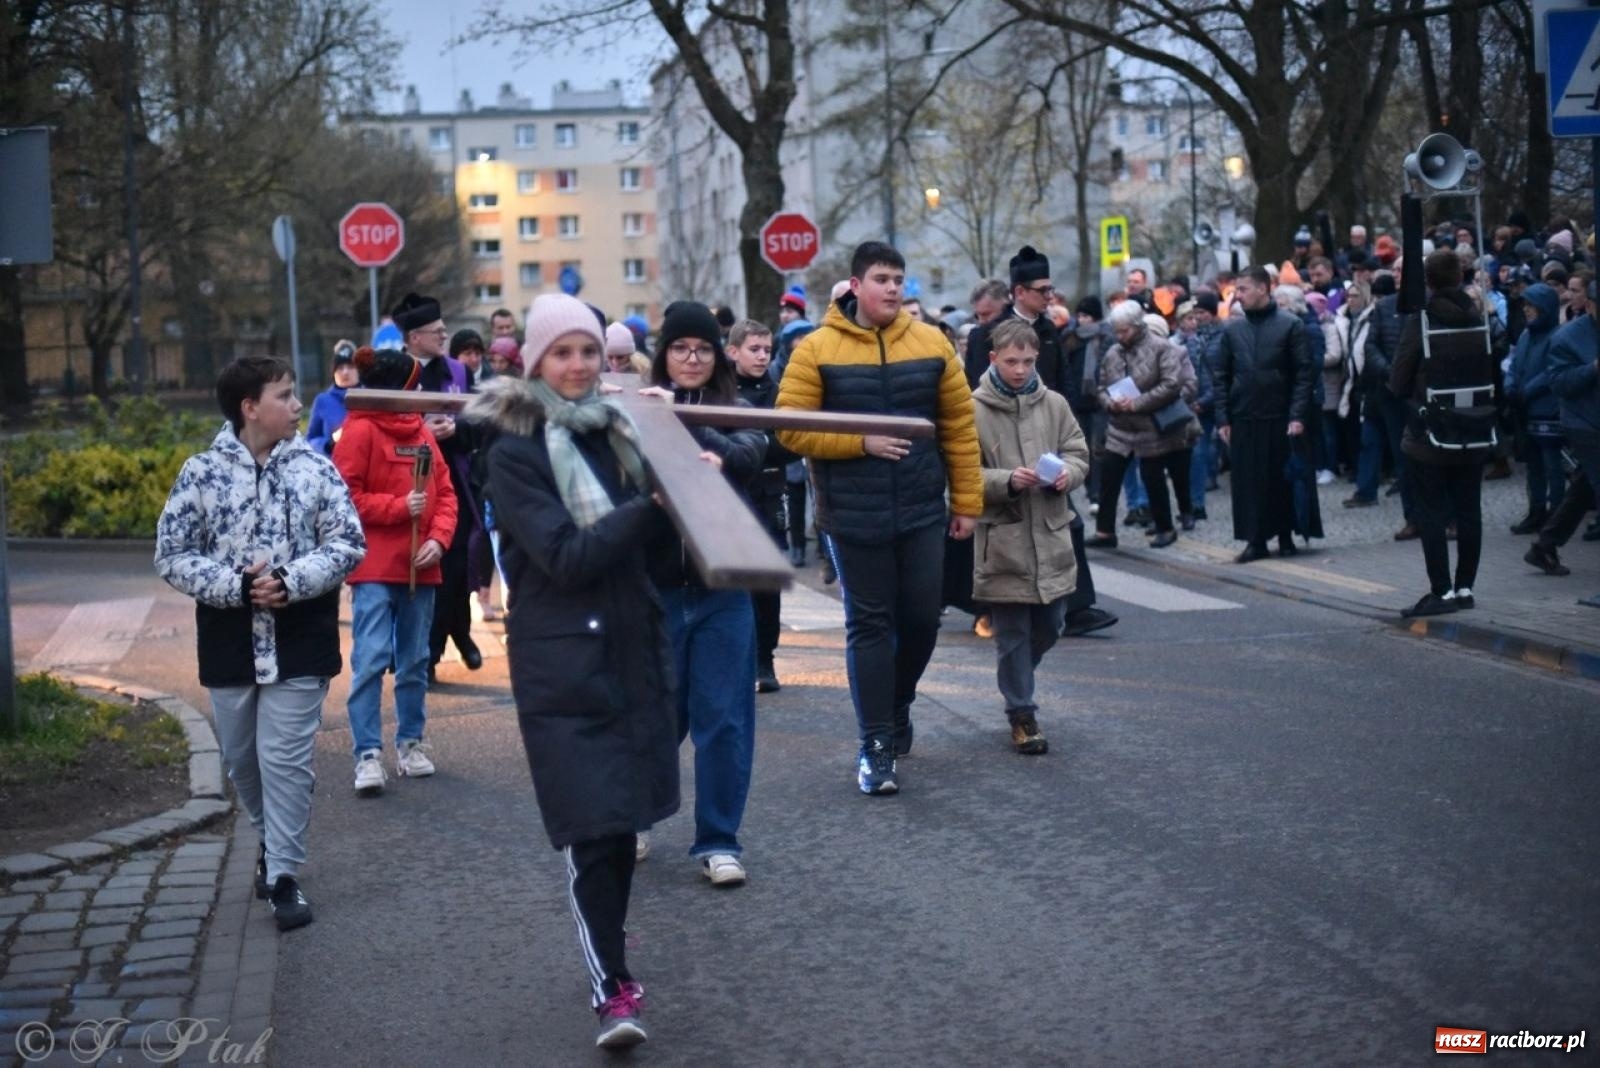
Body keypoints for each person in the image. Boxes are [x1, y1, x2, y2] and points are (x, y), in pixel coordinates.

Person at [468, 293, 678, 1050]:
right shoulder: (515, 452)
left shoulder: (620, 431)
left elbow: (663, 543)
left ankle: (614, 963)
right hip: (564, 663)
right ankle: (612, 988)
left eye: (590, 351)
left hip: (631, 647)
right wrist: (655, 504)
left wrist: (687, 465)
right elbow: (565, 556)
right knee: (592, 831)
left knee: (624, 830)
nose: (581, 366)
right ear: (535, 362)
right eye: (564, 353)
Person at [155, 355, 366, 931]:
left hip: (301, 635)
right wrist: (237, 587)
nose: (299, 405)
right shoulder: (201, 472)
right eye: (285, 395)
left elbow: (348, 542)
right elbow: (171, 553)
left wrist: (292, 581)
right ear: (251, 408)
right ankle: (272, 842)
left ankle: (284, 877)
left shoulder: (315, 470)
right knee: (242, 759)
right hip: (229, 638)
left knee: (285, 760)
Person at [775, 241, 983, 795]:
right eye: (882, 279)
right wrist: (858, 442)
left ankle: (897, 703)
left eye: (899, 279)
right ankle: (875, 744)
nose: (893, 289)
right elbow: (789, 427)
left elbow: (960, 428)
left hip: (920, 509)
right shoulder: (816, 348)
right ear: (856, 286)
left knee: (921, 619)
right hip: (851, 514)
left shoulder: (932, 342)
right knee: (869, 624)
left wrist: (966, 503)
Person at [643, 302, 765, 886]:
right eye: (680, 348)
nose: (691, 359)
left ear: (718, 356)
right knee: (656, 717)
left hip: (725, 590)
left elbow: (749, 455)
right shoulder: (636, 411)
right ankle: (637, 817)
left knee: (724, 721)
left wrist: (699, 431)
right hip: (657, 588)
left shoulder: (736, 409)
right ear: (662, 355)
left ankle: (719, 841)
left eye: (702, 349)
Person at [332, 347, 458, 792]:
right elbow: (344, 497)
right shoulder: (359, 431)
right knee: (370, 660)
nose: (419, 392)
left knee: (415, 660)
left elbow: (445, 496)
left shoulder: (421, 432)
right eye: (414, 385)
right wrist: (398, 507)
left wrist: (438, 540)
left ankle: (411, 744)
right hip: (373, 568)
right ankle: (367, 753)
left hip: (421, 565)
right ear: (399, 389)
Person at [971, 320, 1090, 754]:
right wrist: (1007, 480)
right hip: (1002, 540)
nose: (1019, 370)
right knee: (1013, 634)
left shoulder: (1054, 403)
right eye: (1011, 362)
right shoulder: (972, 408)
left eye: (1027, 361)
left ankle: (1018, 675)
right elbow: (961, 475)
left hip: (1051, 532)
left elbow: (1078, 451)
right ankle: (1022, 712)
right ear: (993, 360)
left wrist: (1067, 475)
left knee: (1052, 623)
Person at [1389, 250, 1502, 616]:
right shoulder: (1479, 316)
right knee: (1469, 509)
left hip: (1432, 424)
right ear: (1460, 276)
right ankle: (1466, 586)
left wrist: (1426, 405)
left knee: (1431, 512)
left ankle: (1442, 590)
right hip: (1474, 420)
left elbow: (1398, 380)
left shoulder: (1422, 320)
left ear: (1429, 281)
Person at [391, 292, 483, 679]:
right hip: (409, 485)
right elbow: (381, 429)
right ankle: (423, 654)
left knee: (458, 566)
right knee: (419, 570)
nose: (445, 334)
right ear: (413, 337)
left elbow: (477, 420)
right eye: (435, 331)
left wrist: (456, 428)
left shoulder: (459, 373)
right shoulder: (393, 371)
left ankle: (453, 636)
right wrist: (422, 433)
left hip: (456, 482)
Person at [1213, 266, 1317, 562]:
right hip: (1244, 415)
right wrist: (1223, 418)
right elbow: (1221, 376)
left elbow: (1303, 374)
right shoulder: (1233, 330)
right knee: (1248, 483)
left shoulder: (1290, 325)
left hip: (1280, 415)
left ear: (1262, 288)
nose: (1238, 296)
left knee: (1280, 479)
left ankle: (1285, 535)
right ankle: (1255, 539)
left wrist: (1297, 415)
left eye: (1243, 289)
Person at [1086, 304, 1198, 549]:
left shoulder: (1163, 349)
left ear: (1137, 327)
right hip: (1119, 427)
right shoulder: (1114, 352)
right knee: (1109, 477)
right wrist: (1110, 403)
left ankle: (1165, 528)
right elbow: (1102, 385)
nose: (1119, 336)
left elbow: (1171, 385)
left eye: (1124, 331)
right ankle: (1105, 531)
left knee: (1153, 478)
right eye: (1116, 331)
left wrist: (1136, 404)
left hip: (1152, 427)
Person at [730, 318, 798, 695]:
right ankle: (736, 656)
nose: (761, 356)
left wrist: (749, 444)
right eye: (754, 349)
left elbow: (791, 442)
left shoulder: (779, 391)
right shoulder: (718, 391)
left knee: (766, 584)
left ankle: (764, 657)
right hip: (729, 494)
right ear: (734, 350)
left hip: (769, 493)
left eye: (766, 350)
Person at [1526, 278, 1600, 577]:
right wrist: (1592, 369)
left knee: (1584, 486)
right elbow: (1559, 383)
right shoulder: (1568, 337)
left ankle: (1545, 545)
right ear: (1590, 305)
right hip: (1584, 422)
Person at [963, 246, 1069, 394]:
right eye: (1042, 290)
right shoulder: (988, 334)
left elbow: (1062, 382)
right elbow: (978, 388)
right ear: (1019, 292)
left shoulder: (1049, 330)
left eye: (1050, 289)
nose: (1049, 296)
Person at [1507, 283, 1566, 534]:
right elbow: (1513, 364)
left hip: (1546, 410)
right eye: (1526, 305)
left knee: (1552, 464)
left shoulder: (1557, 335)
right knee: (1533, 465)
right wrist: (1510, 384)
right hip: (1525, 409)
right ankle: (1537, 509)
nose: (1527, 310)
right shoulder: (1525, 335)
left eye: (1532, 305)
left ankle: (1557, 513)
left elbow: (1551, 372)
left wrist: (1525, 391)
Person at [305, 340, 359, 457]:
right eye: (340, 368)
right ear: (333, 372)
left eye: (350, 366)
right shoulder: (323, 401)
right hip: (335, 466)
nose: (345, 372)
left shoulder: (369, 398)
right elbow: (310, 440)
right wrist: (326, 445)